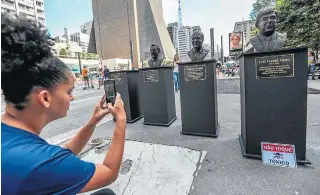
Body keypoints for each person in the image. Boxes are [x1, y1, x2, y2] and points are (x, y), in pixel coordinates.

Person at [1, 14, 127, 195]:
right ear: (45, 98)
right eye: (69, 91)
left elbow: (63, 154)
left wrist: (93, 121)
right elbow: (109, 172)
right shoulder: (40, 164)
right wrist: (121, 120)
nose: (72, 98)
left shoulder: (13, 138)